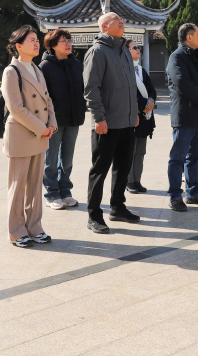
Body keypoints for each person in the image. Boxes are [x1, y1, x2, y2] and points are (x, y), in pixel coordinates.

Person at [82, 12, 140, 234]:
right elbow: (91, 88)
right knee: (100, 170)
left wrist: (134, 112)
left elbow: (131, 86)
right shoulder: (97, 51)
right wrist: (99, 117)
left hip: (127, 121)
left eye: (122, 19)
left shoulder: (124, 50)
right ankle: (94, 215)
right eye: (116, 20)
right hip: (106, 123)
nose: (121, 22)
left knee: (123, 168)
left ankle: (118, 207)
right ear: (105, 27)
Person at [2, 25, 56, 248]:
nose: (36, 43)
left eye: (36, 39)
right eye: (31, 40)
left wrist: (51, 124)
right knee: (18, 187)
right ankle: (16, 232)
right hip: (21, 135)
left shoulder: (36, 69)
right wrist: (41, 128)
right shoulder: (11, 71)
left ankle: (35, 227)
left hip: (40, 134)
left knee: (34, 186)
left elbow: (47, 100)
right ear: (18, 46)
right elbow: (16, 109)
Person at [165, 23, 198, 211]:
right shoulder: (177, 57)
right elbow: (183, 84)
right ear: (189, 37)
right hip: (185, 116)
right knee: (178, 158)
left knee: (194, 156)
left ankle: (193, 193)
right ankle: (175, 196)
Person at [38, 28, 86, 210]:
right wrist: (48, 120)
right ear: (52, 45)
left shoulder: (76, 64)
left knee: (67, 160)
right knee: (51, 160)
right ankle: (52, 194)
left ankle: (65, 192)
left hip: (73, 118)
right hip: (54, 121)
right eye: (63, 41)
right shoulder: (45, 67)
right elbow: (43, 96)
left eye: (69, 40)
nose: (68, 44)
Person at [112, 39, 156, 194]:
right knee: (129, 152)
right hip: (131, 116)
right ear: (126, 51)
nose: (138, 50)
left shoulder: (141, 70)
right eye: (134, 47)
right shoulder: (122, 69)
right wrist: (144, 104)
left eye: (139, 47)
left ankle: (137, 180)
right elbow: (127, 93)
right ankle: (129, 181)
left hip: (145, 118)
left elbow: (151, 90)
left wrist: (151, 101)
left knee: (140, 152)